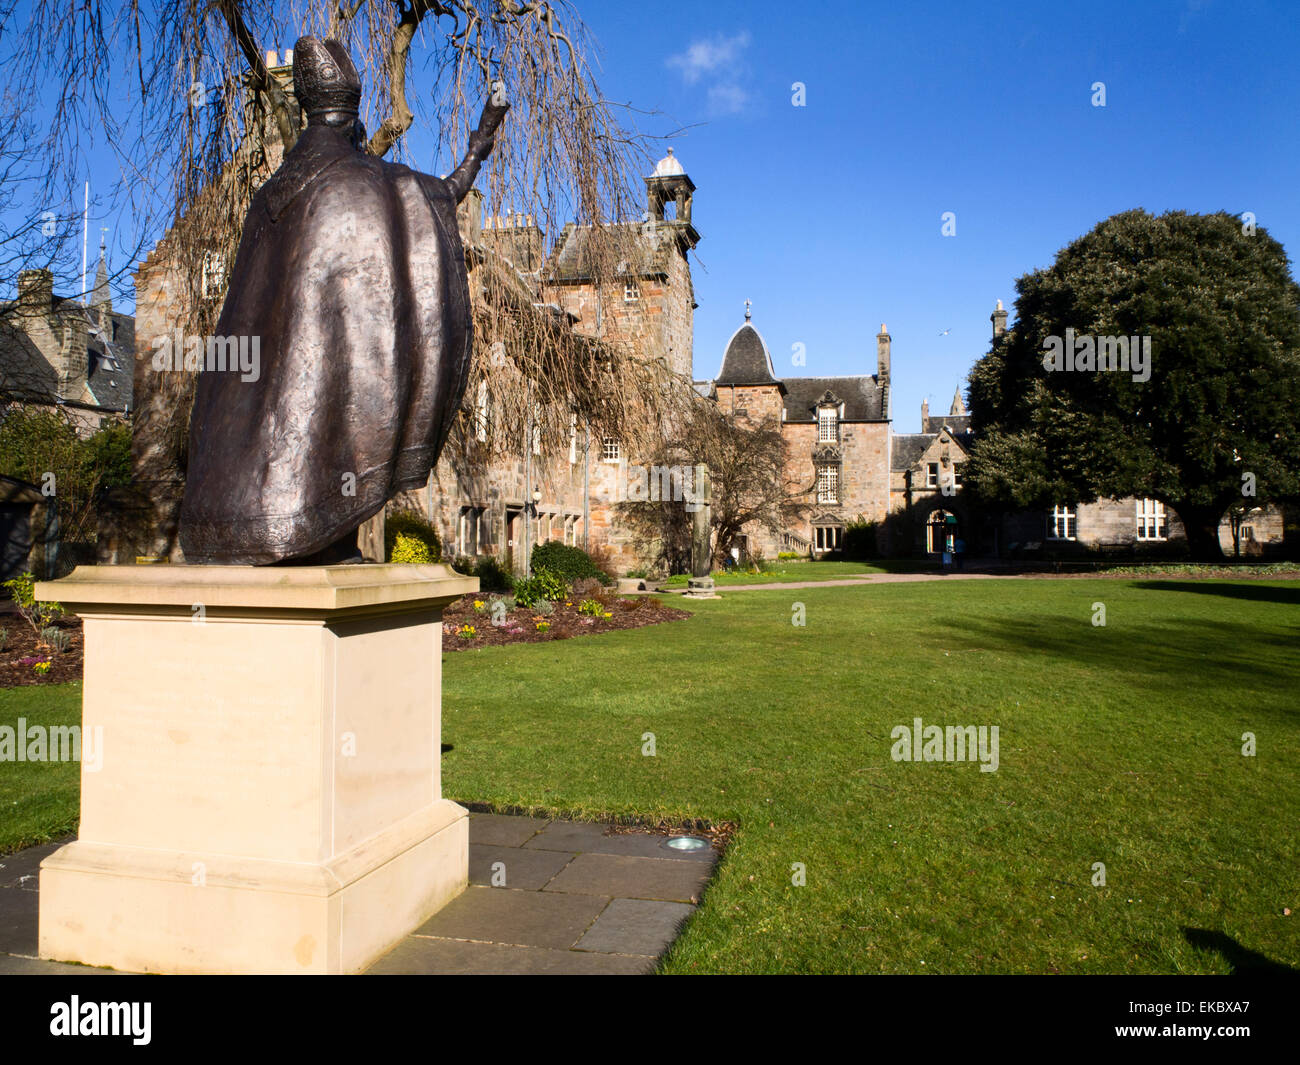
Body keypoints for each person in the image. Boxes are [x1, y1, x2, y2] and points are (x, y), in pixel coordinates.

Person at [180, 36, 508, 564]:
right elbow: (444, 194)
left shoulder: (269, 195)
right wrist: (481, 140)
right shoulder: (370, 181)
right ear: (352, 122)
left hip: (233, 484)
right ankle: (319, 533)